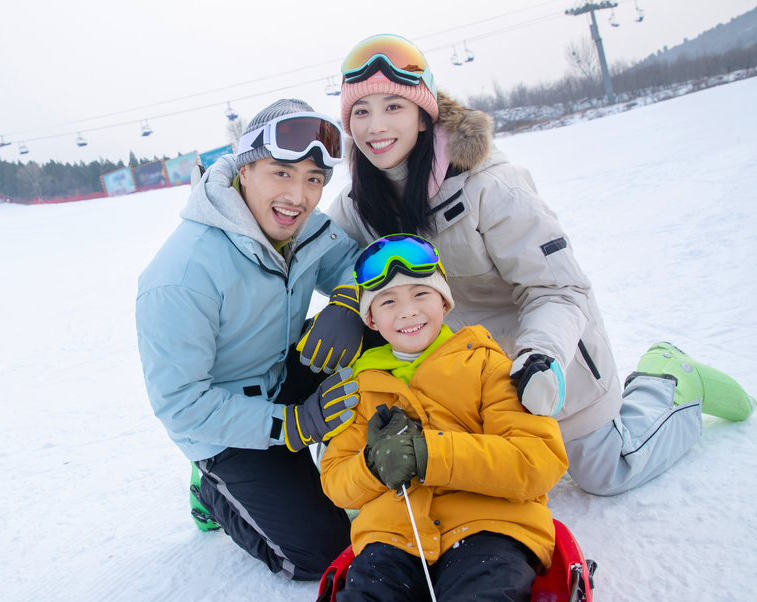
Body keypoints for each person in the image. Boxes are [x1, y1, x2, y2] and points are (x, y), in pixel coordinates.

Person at [305, 34, 754, 497]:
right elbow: (309, 256)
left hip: (537, 358)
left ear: (423, 116)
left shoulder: (491, 187)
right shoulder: (358, 207)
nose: (376, 126)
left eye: (393, 106)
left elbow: (559, 289)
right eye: (361, 111)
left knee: (605, 471)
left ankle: (670, 380)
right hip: (462, 384)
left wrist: (540, 358)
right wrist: (343, 302)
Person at [136, 99, 363, 580]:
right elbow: (181, 403)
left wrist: (346, 302)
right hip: (226, 425)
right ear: (244, 169)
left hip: (281, 375)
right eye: (281, 173)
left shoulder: (304, 228)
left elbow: (354, 263)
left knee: (381, 328)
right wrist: (293, 425)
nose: (298, 197)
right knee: (324, 555)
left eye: (313, 180)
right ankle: (213, 493)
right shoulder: (182, 274)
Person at [320, 234, 568, 602]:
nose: (407, 312)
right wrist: (373, 466)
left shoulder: (488, 365)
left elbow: (537, 460)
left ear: (444, 300)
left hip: (488, 528)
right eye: (388, 302)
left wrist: (429, 453)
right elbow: (337, 482)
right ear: (371, 318)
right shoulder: (360, 389)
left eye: (421, 294)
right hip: (393, 537)